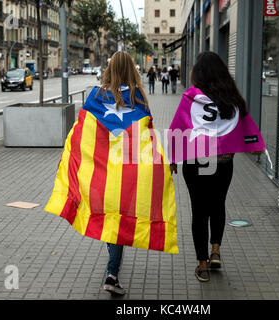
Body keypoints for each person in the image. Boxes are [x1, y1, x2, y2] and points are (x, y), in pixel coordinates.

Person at [45, 51, 178, 296]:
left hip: (101, 174)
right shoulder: (139, 98)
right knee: (117, 220)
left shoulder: (96, 95)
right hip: (128, 175)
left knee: (110, 219)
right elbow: (147, 137)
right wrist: (161, 163)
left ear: (109, 70)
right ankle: (112, 273)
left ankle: (112, 269)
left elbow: (80, 132)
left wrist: (70, 159)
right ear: (132, 69)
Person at [169, 52, 265, 282]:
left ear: (198, 74)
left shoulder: (191, 99)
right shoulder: (232, 99)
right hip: (223, 163)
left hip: (196, 162)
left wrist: (173, 159)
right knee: (218, 205)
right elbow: (247, 126)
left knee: (199, 212)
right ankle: (215, 251)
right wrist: (256, 146)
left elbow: (177, 128)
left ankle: (202, 266)